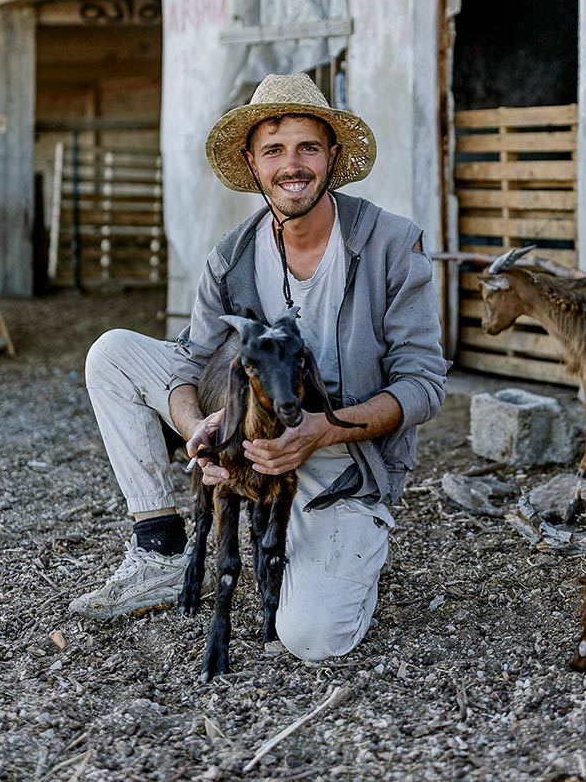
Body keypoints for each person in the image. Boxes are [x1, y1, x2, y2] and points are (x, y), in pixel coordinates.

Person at [70, 73, 447, 662]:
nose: (290, 165)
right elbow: (191, 363)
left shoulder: (391, 245)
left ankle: (341, 536)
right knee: (113, 352)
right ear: (251, 164)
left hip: (339, 451)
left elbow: (423, 384)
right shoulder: (231, 255)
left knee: (312, 638)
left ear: (333, 157)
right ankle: (161, 551)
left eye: (307, 148)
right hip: (247, 434)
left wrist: (323, 429)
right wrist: (204, 433)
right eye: (273, 150)